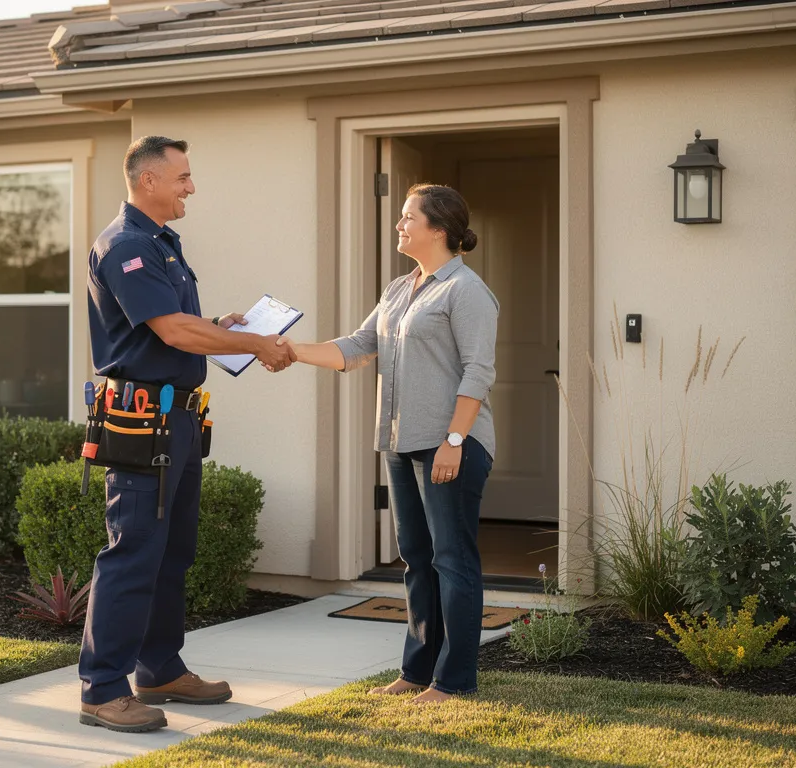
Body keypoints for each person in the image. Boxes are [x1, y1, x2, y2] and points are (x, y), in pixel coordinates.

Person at [80, 136, 296, 733]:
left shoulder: (161, 244)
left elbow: (178, 327)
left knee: (172, 552)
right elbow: (173, 332)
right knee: (132, 555)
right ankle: (101, 689)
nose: (191, 188)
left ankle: (159, 669)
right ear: (148, 181)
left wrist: (223, 327)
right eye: (182, 177)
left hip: (175, 420)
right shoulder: (125, 246)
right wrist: (254, 342)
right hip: (141, 421)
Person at [277, 184, 497, 704]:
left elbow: (479, 371)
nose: (399, 225)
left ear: (438, 229)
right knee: (416, 558)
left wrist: (454, 439)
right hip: (401, 441)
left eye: (407, 217)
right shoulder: (400, 288)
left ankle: (455, 680)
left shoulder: (466, 291)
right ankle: (417, 670)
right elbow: (357, 347)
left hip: (450, 445)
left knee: (453, 560)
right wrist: (287, 349)